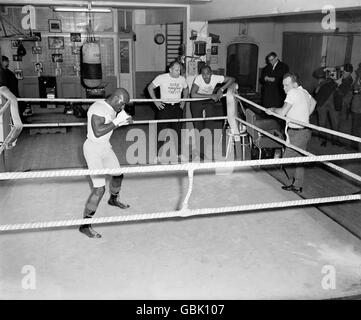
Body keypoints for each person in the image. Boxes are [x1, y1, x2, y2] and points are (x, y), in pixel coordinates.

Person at [80, 88, 132, 238]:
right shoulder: (97, 107)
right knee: (99, 189)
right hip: (93, 149)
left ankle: (113, 199)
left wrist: (124, 121)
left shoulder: (112, 107)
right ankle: (85, 225)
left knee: (118, 175)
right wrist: (117, 122)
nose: (122, 108)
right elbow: (97, 131)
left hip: (105, 147)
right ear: (116, 99)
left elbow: (112, 124)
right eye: (122, 105)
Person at [267, 73, 316, 193]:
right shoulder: (303, 91)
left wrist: (272, 110)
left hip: (298, 134)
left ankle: (293, 180)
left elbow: (282, 112)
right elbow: (314, 102)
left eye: (287, 85)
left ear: (294, 84)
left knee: (286, 160)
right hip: (303, 131)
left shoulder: (293, 92)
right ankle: (297, 184)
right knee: (299, 159)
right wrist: (305, 116)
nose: (284, 88)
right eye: (283, 85)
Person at [190, 65, 235, 158]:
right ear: (200, 74)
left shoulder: (216, 78)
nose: (205, 76)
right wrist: (210, 95)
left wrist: (221, 89)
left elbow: (232, 79)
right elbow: (193, 94)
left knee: (209, 125)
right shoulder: (198, 79)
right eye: (203, 74)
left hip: (209, 102)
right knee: (198, 126)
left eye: (208, 74)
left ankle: (206, 149)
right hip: (197, 102)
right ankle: (199, 150)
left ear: (211, 73)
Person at [148, 61, 189, 161]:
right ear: (170, 70)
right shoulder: (161, 77)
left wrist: (183, 102)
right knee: (162, 131)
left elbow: (186, 89)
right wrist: (155, 101)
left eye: (179, 70)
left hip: (177, 108)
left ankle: (179, 154)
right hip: (164, 107)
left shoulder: (182, 79)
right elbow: (150, 88)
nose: (178, 72)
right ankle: (158, 155)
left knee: (178, 131)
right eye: (176, 70)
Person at [312, 67, 338, 146]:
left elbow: (336, 77)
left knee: (335, 122)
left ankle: (335, 139)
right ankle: (324, 140)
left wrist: (331, 69)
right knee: (322, 123)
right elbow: (316, 73)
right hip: (322, 103)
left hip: (332, 103)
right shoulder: (321, 80)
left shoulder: (334, 77)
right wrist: (324, 69)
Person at [334, 63, 354, 137]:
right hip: (339, 100)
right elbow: (337, 67)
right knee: (336, 119)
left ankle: (338, 136)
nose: (344, 73)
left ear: (350, 73)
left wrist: (337, 86)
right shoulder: (343, 76)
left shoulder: (349, 80)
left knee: (340, 120)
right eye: (344, 72)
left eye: (346, 72)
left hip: (343, 102)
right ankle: (336, 134)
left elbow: (341, 92)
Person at [351, 63, 361, 151]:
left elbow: (355, 89)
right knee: (355, 126)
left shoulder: (359, 76)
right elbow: (355, 88)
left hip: (357, 106)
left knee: (355, 126)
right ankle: (354, 146)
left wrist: (357, 91)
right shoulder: (358, 77)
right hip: (357, 106)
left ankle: (355, 146)